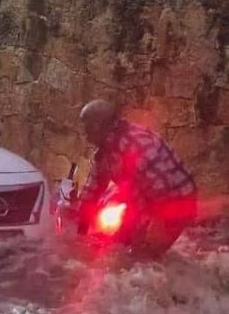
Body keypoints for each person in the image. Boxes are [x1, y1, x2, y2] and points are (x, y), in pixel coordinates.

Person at [76, 100, 198, 255]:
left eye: (87, 127)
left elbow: (161, 189)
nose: (85, 134)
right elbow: (91, 192)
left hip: (176, 201)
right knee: (118, 247)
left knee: (143, 256)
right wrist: (80, 236)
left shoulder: (136, 143)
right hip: (143, 199)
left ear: (100, 125)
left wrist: (152, 231)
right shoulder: (105, 151)